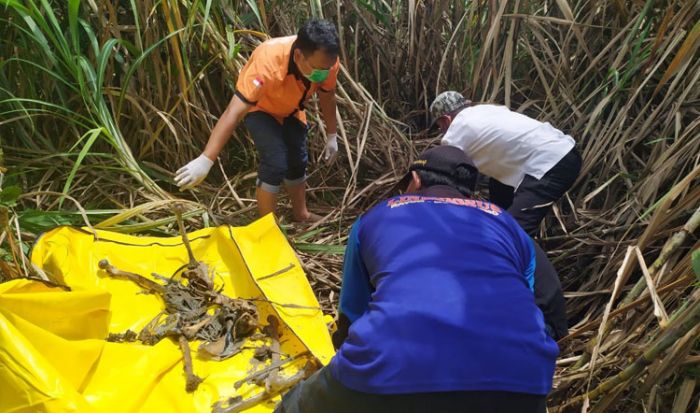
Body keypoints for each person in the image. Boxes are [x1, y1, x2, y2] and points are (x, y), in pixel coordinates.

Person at [275, 145, 567, 413]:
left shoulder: (375, 218)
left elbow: (351, 317)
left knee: (295, 406)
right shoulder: (507, 225)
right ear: (469, 193)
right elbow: (535, 308)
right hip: (523, 378)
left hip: (393, 367)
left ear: (414, 181)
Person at [175, 19, 342, 222]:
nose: (323, 73)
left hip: (292, 109)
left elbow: (327, 95)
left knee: (298, 160)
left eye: (327, 68)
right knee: (275, 161)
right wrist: (206, 159)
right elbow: (233, 112)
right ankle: (267, 227)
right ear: (298, 56)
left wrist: (332, 134)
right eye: (319, 69)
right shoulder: (267, 63)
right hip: (261, 109)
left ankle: (301, 214)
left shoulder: (327, 62)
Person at [430, 91, 582, 236]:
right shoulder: (490, 110)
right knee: (497, 188)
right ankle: (498, 227)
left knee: (512, 232)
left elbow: (443, 177)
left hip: (550, 163)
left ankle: (506, 251)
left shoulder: (456, 132)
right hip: (562, 150)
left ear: (446, 120)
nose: (441, 132)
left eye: (439, 126)